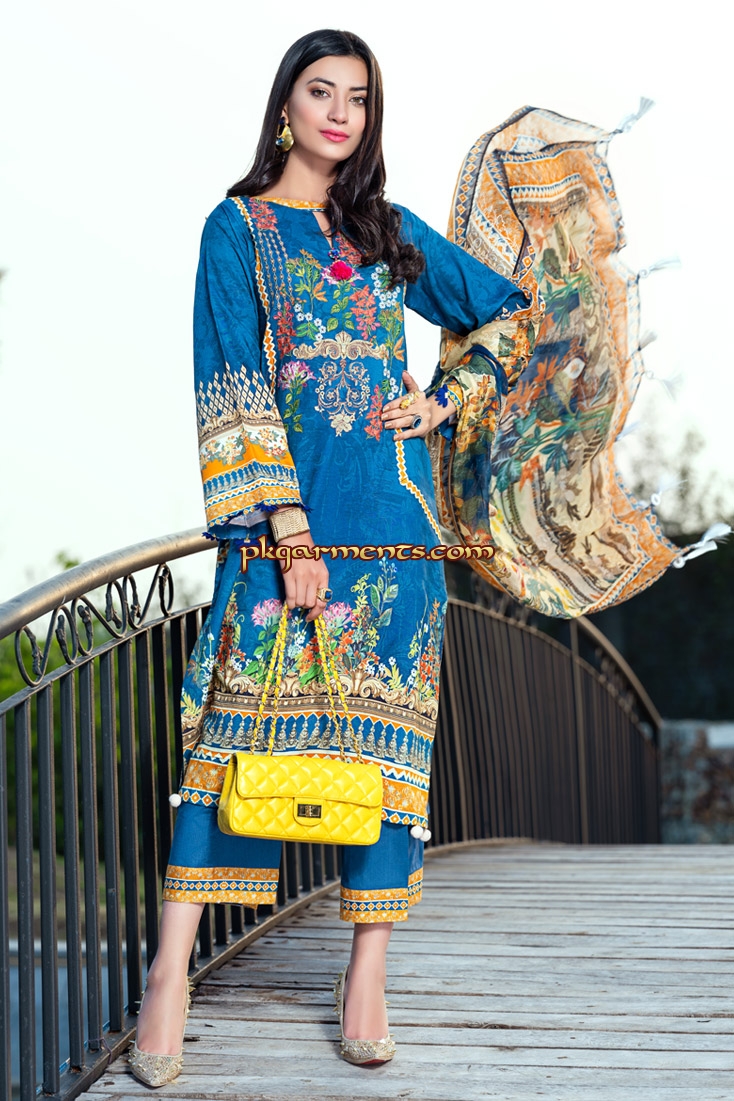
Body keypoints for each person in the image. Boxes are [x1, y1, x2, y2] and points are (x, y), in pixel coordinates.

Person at [129, 28, 530, 1086]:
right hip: (288, 535)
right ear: (285, 108)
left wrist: (443, 399)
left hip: (395, 537)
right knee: (227, 741)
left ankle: (366, 974)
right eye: (322, 91)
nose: (341, 112)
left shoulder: (383, 232)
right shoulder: (238, 230)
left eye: (357, 96)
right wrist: (289, 533)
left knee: (384, 763)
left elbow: (508, 313)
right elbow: (232, 386)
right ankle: (168, 975)